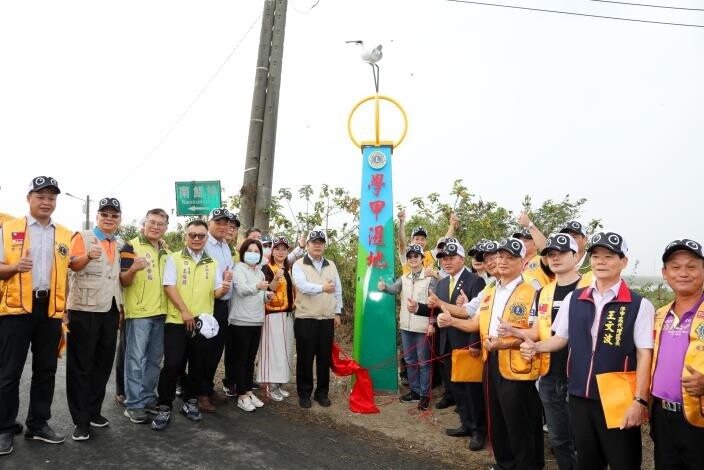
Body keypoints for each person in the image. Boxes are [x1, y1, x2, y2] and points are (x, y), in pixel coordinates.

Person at [520, 232, 655, 470]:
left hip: (618, 396)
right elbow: (560, 338)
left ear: (623, 262)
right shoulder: (575, 298)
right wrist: (537, 346)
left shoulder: (639, 304)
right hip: (579, 394)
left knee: (623, 460)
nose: (601, 261)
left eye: (609, 256)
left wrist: (640, 401)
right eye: (596, 256)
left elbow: (645, 354)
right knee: (587, 460)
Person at [437, 238, 543, 467]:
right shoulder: (490, 290)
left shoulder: (532, 290)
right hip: (491, 361)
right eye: (499, 257)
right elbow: (475, 323)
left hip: (518, 365)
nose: (501, 262)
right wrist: (450, 320)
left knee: (519, 422)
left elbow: (538, 332)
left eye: (509, 257)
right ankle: (505, 463)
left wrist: (506, 343)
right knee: (497, 418)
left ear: (523, 262)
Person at [0, 177, 70, 455]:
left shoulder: (63, 233)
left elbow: (69, 268)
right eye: (40, 196)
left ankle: (38, 425)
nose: (46, 202)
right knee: (9, 372)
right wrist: (15, 267)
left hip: (50, 310)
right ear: (29, 198)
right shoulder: (9, 229)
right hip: (17, 309)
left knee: (46, 370)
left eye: (51, 197)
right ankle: (5, 428)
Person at [151, 220, 230, 431]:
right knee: (173, 364)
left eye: (201, 236)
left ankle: (190, 402)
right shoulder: (173, 258)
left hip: (202, 323)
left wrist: (224, 288)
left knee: (198, 364)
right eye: (192, 235)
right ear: (186, 236)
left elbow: (215, 293)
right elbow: (169, 286)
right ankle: (164, 406)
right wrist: (185, 311)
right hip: (177, 321)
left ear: (206, 238)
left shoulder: (212, 263)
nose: (196, 239)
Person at [525, 233, 590, 470]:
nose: (555, 258)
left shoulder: (591, 288)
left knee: (585, 440)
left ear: (576, 256)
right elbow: (536, 330)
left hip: (582, 376)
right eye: (550, 254)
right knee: (558, 438)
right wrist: (514, 333)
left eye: (562, 253)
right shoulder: (543, 292)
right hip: (550, 373)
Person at [66, 197, 125, 441]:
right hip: (84, 308)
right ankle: (80, 421)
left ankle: (93, 412)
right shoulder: (82, 236)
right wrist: (88, 257)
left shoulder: (121, 243)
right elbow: (72, 266)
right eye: (105, 214)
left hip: (110, 310)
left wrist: (121, 310)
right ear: (98, 216)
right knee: (81, 365)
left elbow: (118, 277)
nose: (109, 218)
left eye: (114, 215)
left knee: (102, 364)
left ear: (119, 218)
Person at [423, 240, 487, 451]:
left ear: (462, 259)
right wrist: (419, 309)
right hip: (447, 341)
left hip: (466, 343)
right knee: (456, 388)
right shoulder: (442, 283)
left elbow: (477, 315)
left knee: (472, 390)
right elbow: (440, 310)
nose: (447, 262)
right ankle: (466, 424)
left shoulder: (475, 281)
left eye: (451, 258)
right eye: (444, 259)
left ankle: (479, 431)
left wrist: (474, 342)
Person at [649, 239, 704, 470]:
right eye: (675, 267)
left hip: (699, 418)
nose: (683, 273)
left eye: (691, 267)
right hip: (662, 417)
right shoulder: (659, 314)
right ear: (665, 273)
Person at [119, 208, 170, 424]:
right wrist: (133, 269)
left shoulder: (165, 251)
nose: (156, 226)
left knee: (154, 360)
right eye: (152, 222)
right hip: (139, 313)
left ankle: (148, 398)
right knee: (135, 359)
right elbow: (124, 280)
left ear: (166, 227)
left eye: (161, 223)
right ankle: (133, 404)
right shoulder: (131, 246)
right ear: (144, 223)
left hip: (161, 312)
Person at [378, 244, 436, 411]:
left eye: (416, 256)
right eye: (410, 256)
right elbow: (394, 289)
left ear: (422, 258)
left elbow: (434, 304)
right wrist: (385, 288)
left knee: (423, 362)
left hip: (423, 327)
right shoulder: (404, 278)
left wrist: (432, 324)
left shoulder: (430, 278)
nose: (412, 259)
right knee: (410, 361)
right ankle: (415, 391)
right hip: (406, 326)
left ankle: (425, 395)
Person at [291, 230, 343, 408]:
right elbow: (302, 286)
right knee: (305, 358)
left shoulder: (331, 265)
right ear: (308, 245)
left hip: (326, 318)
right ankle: (304, 393)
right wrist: (322, 288)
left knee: (324, 358)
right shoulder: (298, 264)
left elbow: (337, 290)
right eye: (314, 242)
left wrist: (337, 312)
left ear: (324, 245)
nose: (317, 245)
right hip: (306, 317)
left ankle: (322, 393)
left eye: (321, 242)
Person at [227, 238, 269, 412]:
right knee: (241, 359)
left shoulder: (259, 272)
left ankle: (249, 391)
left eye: (257, 251)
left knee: (250, 358)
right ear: (243, 252)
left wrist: (267, 296)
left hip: (256, 319)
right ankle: (241, 395)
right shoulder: (238, 269)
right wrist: (258, 287)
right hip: (241, 320)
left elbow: (260, 294)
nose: (253, 254)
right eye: (250, 250)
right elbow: (243, 290)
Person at [202, 208, 234, 411]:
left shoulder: (225, 246)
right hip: (207, 303)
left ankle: (207, 388)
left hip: (223, 305)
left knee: (215, 351)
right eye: (218, 222)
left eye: (226, 223)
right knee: (204, 351)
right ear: (209, 223)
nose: (223, 227)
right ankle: (199, 394)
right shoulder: (204, 243)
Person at [259, 235, 297, 401]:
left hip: (287, 315)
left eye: (284, 249)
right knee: (272, 351)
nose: (281, 252)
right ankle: (269, 385)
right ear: (272, 250)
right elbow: (268, 291)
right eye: (277, 248)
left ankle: (279, 382)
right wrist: (276, 278)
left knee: (284, 351)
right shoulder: (267, 268)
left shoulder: (289, 268)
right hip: (272, 314)